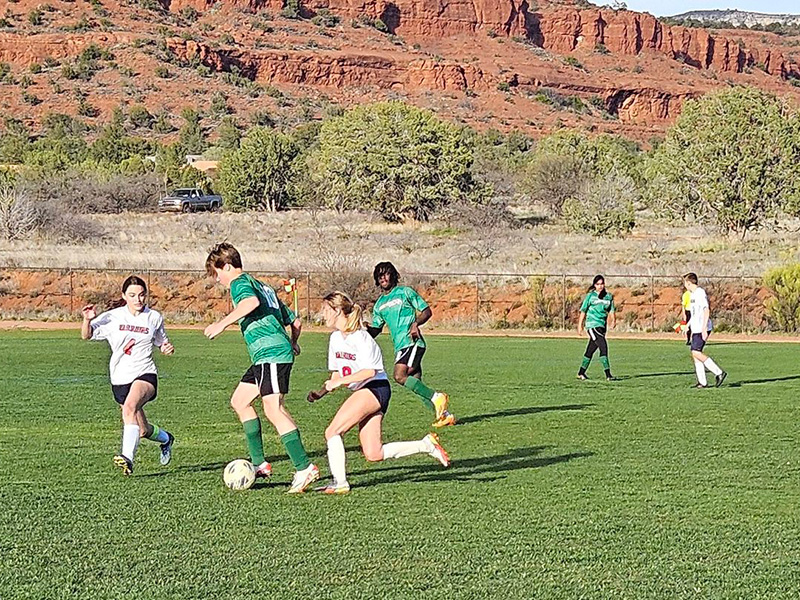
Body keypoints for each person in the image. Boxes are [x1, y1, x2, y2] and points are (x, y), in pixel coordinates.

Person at [204, 242, 318, 494]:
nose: (218, 279)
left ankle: (304, 467)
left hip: (271, 354)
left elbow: (250, 303)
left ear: (228, 266)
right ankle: (259, 464)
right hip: (266, 355)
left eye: (217, 272)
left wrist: (221, 324)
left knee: (273, 408)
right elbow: (295, 320)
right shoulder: (264, 285)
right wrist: (293, 342)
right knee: (240, 401)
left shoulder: (240, 283)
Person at [311, 291, 450, 494]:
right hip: (365, 390)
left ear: (338, 310)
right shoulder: (335, 339)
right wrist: (324, 390)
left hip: (375, 388)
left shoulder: (361, 338)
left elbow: (370, 371)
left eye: (325, 310)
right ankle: (426, 445)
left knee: (332, 431)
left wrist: (341, 381)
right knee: (374, 453)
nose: (322, 315)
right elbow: (336, 372)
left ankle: (340, 483)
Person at [81, 275, 175, 475]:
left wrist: (166, 347)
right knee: (142, 430)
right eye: (132, 295)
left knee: (130, 407)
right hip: (120, 377)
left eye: (142, 295)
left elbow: (161, 340)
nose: (138, 299)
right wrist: (87, 320)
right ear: (124, 296)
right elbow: (86, 335)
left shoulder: (154, 317)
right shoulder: (113, 317)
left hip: (145, 373)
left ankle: (127, 459)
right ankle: (167, 439)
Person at [367, 262, 455, 428]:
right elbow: (376, 330)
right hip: (400, 346)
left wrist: (415, 324)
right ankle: (445, 416)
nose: (383, 278)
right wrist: (364, 331)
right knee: (416, 382)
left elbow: (427, 311)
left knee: (399, 376)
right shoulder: (379, 305)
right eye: (380, 275)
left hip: (412, 342)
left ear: (393, 275)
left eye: (386, 274)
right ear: (377, 280)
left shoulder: (405, 292)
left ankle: (438, 397)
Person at [683, 273, 727, 388]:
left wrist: (703, 328)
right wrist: (688, 325)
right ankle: (702, 382)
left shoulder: (700, 293)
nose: (684, 285)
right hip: (696, 328)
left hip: (702, 328)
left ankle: (719, 372)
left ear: (689, 283)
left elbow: (706, 310)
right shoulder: (692, 295)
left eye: (685, 283)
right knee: (695, 354)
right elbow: (694, 313)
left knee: (696, 352)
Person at [577, 274, 616, 381]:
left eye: (602, 283)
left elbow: (611, 310)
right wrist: (580, 325)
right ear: (594, 285)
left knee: (590, 350)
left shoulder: (608, 296)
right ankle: (608, 375)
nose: (600, 286)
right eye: (598, 284)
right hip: (592, 326)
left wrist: (613, 320)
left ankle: (581, 373)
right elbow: (583, 310)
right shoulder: (590, 296)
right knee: (603, 347)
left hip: (602, 326)